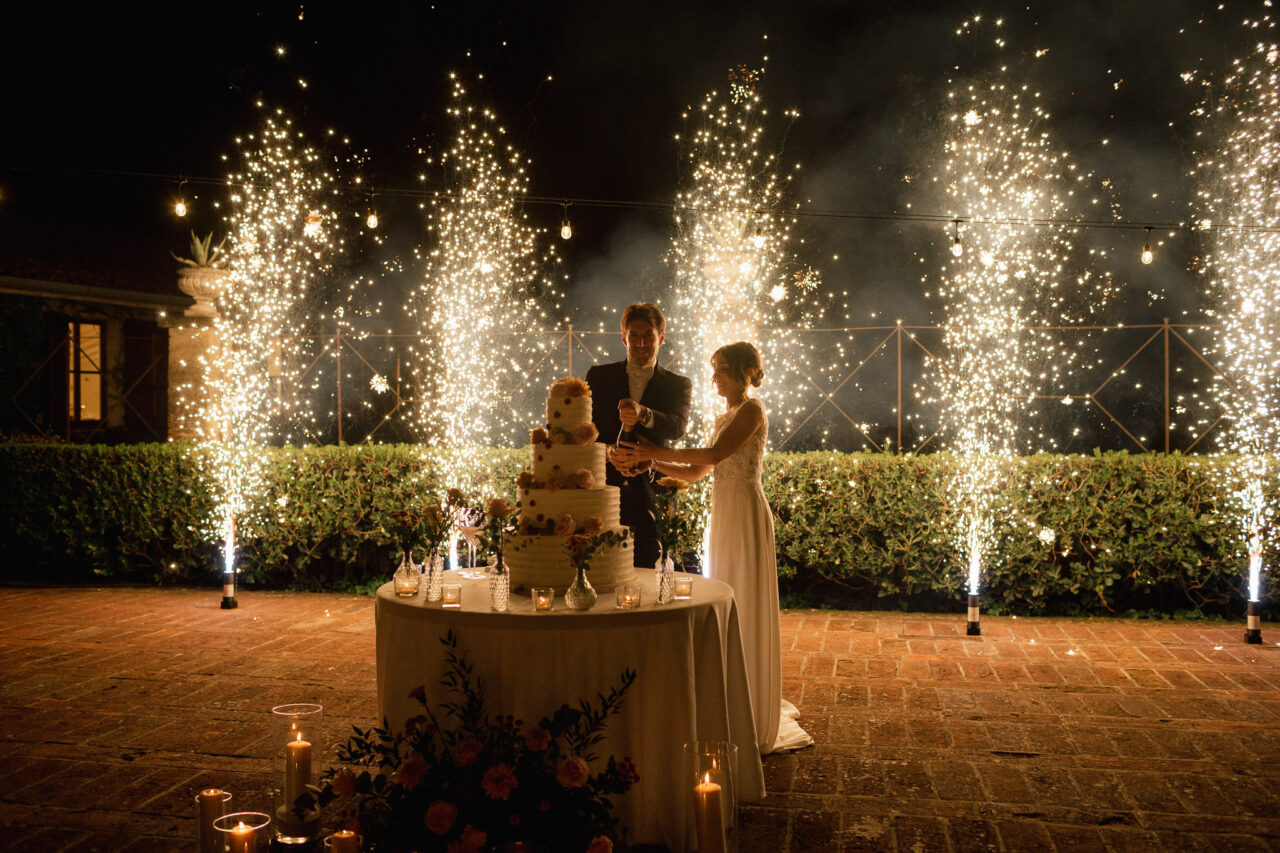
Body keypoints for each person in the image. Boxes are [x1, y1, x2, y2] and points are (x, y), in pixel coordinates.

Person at [613, 342, 812, 755]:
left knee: (744, 598)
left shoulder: (752, 411)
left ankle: (755, 701)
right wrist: (652, 463)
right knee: (725, 596)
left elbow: (717, 453)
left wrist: (654, 449)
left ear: (745, 372)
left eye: (721, 370)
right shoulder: (724, 416)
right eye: (714, 370)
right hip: (723, 514)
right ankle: (733, 695)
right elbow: (700, 470)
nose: (715, 377)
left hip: (745, 514)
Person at [585, 302, 693, 568]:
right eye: (634, 335)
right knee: (601, 564)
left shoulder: (678, 384)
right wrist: (608, 451)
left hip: (653, 489)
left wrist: (644, 413)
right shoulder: (598, 376)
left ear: (662, 338)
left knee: (652, 565)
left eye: (649, 336)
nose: (641, 342)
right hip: (604, 489)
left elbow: (678, 427)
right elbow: (585, 428)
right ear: (623, 337)